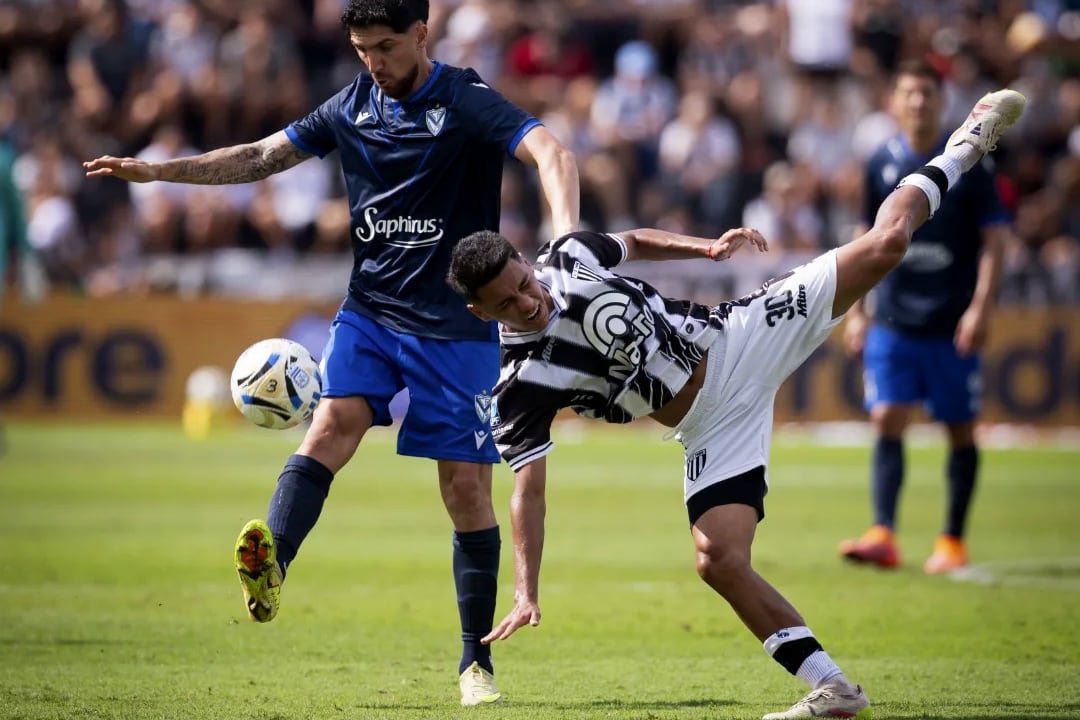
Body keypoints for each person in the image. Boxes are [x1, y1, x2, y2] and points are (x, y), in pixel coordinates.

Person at [445, 89, 1025, 719]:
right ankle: (834, 688)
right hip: (708, 425)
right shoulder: (518, 386)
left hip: (739, 337)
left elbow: (632, 241)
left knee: (886, 244)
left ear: (526, 261)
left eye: (524, 284)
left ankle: (965, 144)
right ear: (481, 312)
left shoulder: (570, 258)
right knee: (717, 558)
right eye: (507, 304)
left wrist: (704, 248)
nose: (528, 302)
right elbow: (527, 490)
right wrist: (526, 589)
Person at [84, 0, 580, 706]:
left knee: (464, 490)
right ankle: (273, 565)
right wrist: (162, 172)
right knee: (329, 425)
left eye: (384, 46)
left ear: (420, 34)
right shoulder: (350, 107)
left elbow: (551, 153)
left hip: (456, 326)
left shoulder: (465, 99)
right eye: (360, 49)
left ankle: (476, 663)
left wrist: (564, 241)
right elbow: (259, 157)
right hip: (370, 313)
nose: (373, 63)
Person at [837, 60, 1010, 575]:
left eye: (927, 93)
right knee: (886, 416)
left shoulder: (970, 163)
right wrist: (857, 310)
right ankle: (883, 532)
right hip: (893, 315)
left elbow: (996, 242)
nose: (917, 102)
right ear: (894, 100)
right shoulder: (878, 162)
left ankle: (952, 540)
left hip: (951, 318)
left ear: (942, 100)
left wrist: (981, 307)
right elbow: (866, 237)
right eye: (909, 92)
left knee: (959, 427)